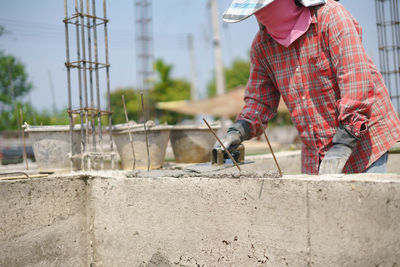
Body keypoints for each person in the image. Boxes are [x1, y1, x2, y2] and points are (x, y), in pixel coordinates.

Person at [217, 0, 400, 174]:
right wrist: (238, 130)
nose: (262, 15)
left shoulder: (331, 18)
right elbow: (260, 101)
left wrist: (344, 142)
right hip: (315, 149)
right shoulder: (263, 46)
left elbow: (355, 81)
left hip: (364, 142)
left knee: (361, 204)